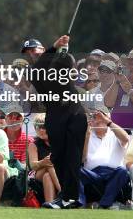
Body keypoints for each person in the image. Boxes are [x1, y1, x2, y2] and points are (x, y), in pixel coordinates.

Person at [30, 35, 86, 209]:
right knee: (59, 158)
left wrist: (61, 51)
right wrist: (54, 47)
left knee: (73, 159)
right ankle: (66, 197)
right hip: (55, 120)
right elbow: (38, 68)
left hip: (75, 118)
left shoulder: (71, 86)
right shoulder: (43, 81)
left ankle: (70, 197)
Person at [79, 106, 129, 209]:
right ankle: (80, 204)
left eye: (101, 116)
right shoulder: (87, 135)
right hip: (93, 174)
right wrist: (87, 135)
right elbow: (82, 159)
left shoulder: (114, 133)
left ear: (108, 118)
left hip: (114, 173)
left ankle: (104, 204)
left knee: (123, 171)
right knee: (75, 170)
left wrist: (108, 122)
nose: (98, 119)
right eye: (93, 117)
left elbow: (126, 138)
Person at [27, 114, 60, 205]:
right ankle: (63, 193)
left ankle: (50, 205)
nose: (41, 130)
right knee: (49, 163)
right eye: (38, 127)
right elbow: (33, 165)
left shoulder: (60, 142)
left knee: (47, 176)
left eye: (44, 126)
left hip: (56, 172)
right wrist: (44, 162)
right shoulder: (33, 144)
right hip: (37, 174)